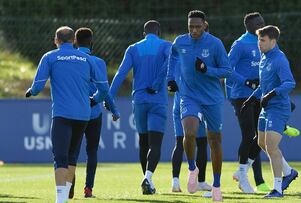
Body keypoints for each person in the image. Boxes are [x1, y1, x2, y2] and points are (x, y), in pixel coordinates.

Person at [25, 26, 109, 203]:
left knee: (60, 157)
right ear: (74, 41)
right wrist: (94, 99)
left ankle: (60, 199)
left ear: (56, 40)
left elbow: (38, 85)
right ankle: (66, 195)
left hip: (63, 114)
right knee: (72, 156)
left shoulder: (50, 57)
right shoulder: (87, 59)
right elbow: (103, 88)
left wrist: (31, 91)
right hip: (83, 116)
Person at [167, 10, 232, 201]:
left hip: (212, 98)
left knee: (214, 140)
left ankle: (217, 185)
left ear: (204, 25)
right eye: (190, 27)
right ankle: (192, 168)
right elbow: (173, 57)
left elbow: (226, 70)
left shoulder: (215, 44)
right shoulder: (180, 42)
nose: (194, 30)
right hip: (189, 96)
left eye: (197, 27)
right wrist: (171, 79)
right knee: (189, 133)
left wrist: (207, 69)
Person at [109, 20, 171, 195]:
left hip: (139, 101)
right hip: (157, 100)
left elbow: (121, 73)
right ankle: (148, 178)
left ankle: (148, 185)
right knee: (155, 143)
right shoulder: (167, 46)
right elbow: (170, 65)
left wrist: (109, 96)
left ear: (144, 34)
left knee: (143, 142)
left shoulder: (133, 48)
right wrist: (158, 82)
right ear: (158, 32)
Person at [242, 25, 298, 198]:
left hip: (278, 109)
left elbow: (289, 83)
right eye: (258, 39)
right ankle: (289, 172)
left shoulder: (279, 59)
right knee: (261, 143)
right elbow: (263, 85)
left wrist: (272, 94)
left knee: (271, 147)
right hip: (266, 108)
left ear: (273, 41)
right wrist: (252, 98)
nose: (259, 43)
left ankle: (278, 189)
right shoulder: (264, 57)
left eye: (263, 40)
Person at [69, 27, 120, 198]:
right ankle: (88, 189)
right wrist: (114, 110)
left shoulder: (70, 61)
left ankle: (69, 186)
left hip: (74, 113)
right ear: (91, 43)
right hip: (94, 114)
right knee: (92, 151)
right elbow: (104, 90)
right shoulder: (98, 62)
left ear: (75, 42)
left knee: (72, 151)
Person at [225, 12, 270, 194]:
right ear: (249, 26)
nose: (261, 24)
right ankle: (245, 177)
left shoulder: (266, 42)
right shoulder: (240, 44)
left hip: (261, 95)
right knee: (249, 135)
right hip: (242, 96)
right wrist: (244, 82)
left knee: (261, 137)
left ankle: (245, 174)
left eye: (262, 21)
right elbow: (226, 69)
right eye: (257, 23)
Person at [170, 21, 211, 193]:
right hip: (193, 103)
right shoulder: (200, 55)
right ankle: (200, 181)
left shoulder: (180, 51)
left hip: (178, 102)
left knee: (180, 141)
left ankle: (175, 182)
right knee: (201, 142)